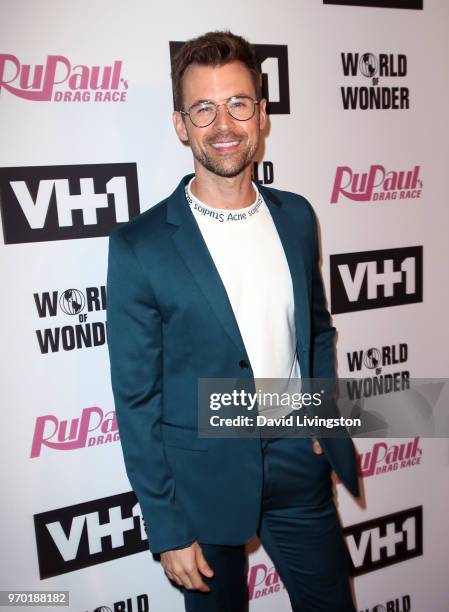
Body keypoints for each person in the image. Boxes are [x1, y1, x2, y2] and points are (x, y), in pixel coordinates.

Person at [106, 30, 359, 612]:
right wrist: (166, 525)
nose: (223, 123)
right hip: (203, 483)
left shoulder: (296, 216)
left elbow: (316, 332)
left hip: (299, 462)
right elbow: (136, 400)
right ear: (180, 124)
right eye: (203, 108)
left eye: (238, 103)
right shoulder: (139, 246)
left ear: (262, 115)